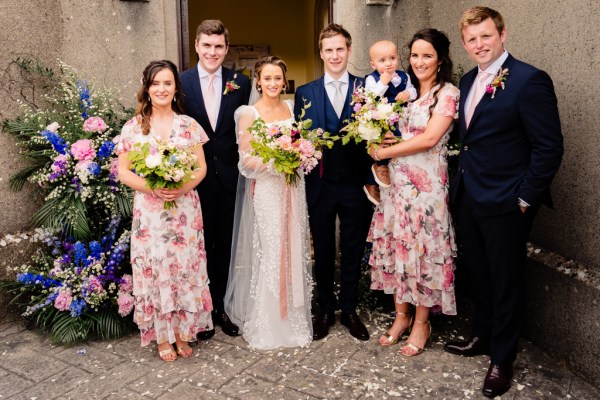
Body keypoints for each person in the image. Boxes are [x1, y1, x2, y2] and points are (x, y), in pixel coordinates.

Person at [443, 7, 563, 398]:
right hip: (470, 196)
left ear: (502, 34)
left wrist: (525, 198)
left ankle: (503, 357)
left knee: (506, 278)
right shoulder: (467, 79)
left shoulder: (529, 80)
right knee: (478, 272)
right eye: (472, 39)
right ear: (464, 43)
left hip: (508, 201)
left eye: (486, 36)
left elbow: (548, 147)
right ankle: (482, 335)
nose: (479, 44)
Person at [367, 29, 459, 357]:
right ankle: (401, 316)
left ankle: (422, 322)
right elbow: (394, 133)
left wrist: (386, 153)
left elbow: (429, 138)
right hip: (398, 189)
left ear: (441, 59)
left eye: (427, 55)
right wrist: (377, 143)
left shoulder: (446, 93)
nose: (419, 62)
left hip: (428, 191)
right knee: (398, 251)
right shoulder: (404, 93)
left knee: (422, 253)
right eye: (415, 55)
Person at [116, 60, 213, 362]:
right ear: (147, 87)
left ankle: (183, 333)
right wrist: (151, 187)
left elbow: (201, 167)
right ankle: (161, 336)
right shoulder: (133, 127)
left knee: (184, 269)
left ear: (175, 88)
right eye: (156, 83)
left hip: (184, 211)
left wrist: (183, 186)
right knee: (156, 269)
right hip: (151, 214)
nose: (161, 88)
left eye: (167, 83)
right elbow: (123, 172)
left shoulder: (189, 125)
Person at [223, 56, 312, 350]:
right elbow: (246, 163)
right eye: (267, 78)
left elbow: (300, 144)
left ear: (283, 81)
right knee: (273, 252)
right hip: (268, 192)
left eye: (278, 78)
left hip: (293, 188)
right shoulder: (248, 113)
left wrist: (300, 156)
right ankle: (271, 324)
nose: (273, 83)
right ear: (258, 81)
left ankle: (294, 322)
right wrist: (280, 163)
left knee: (294, 248)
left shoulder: (289, 108)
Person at [294, 23, 373, 341]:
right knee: (323, 249)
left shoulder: (367, 88)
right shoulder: (305, 92)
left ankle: (350, 309)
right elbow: (300, 140)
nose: (335, 55)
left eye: (340, 48)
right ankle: (325, 308)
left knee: (353, 248)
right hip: (321, 185)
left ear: (349, 50)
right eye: (329, 49)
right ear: (321, 52)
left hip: (355, 184)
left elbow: (375, 136)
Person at [179, 19, 251, 340]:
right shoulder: (181, 83)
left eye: (218, 46)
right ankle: (201, 311)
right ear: (196, 45)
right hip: (194, 181)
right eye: (206, 45)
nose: (212, 52)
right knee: (198, 248)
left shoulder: (241, 83)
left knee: (224, 247)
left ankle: (222, 308)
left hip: (230, 180)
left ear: (226, 48)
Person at [363, 40, 417, 206]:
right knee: (385, 146)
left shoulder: (404, 76)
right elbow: (370, 98)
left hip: (401, 118)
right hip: (382, 119)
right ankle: (374, 178)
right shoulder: (372, 79)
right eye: (382, 60)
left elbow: (414, 90)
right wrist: (383, 82)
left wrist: (408, 94)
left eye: (392, 58)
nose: (388, 63)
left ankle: (381, 178)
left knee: (399, 145)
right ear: (373, 63)